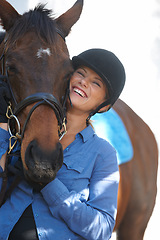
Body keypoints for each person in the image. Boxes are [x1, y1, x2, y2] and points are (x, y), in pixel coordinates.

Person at [0, 48, 126, 240]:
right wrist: (2, 126)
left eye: (96, 83)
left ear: (104, 105)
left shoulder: (103, 153)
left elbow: (102, 230)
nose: (83, 82)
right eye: (81, 73)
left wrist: (49, 186)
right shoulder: (24, 129)